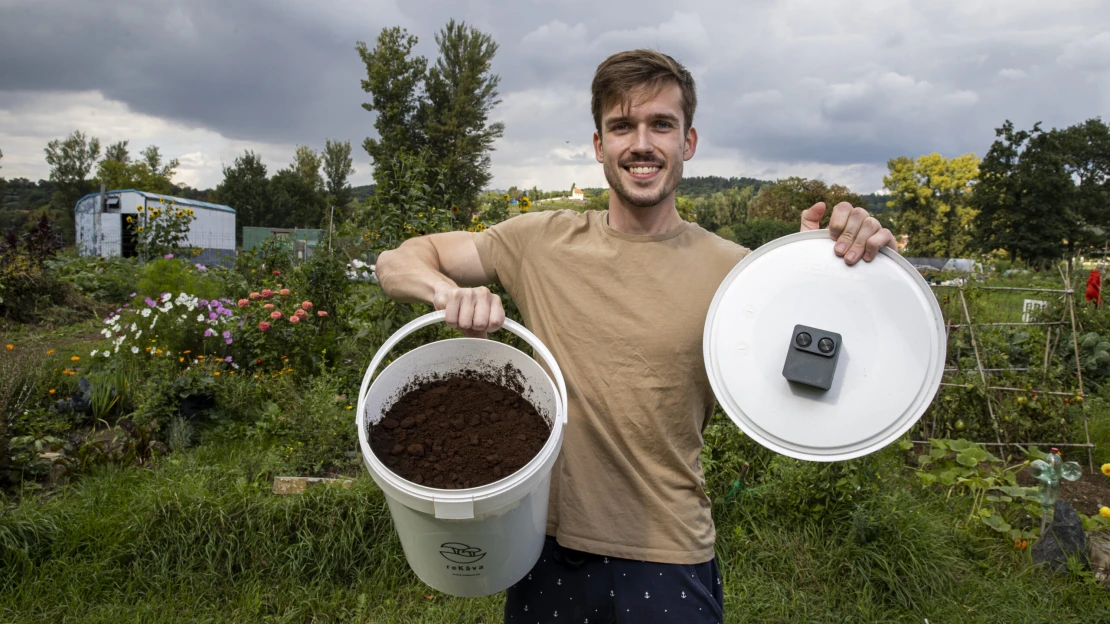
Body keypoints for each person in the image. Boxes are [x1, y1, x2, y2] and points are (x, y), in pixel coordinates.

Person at [375, 49, 897, 624]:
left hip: (669, 550)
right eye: (622, 126)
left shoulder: (736, 273)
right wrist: (445, 293)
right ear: (600, 146)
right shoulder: (538, 241)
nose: (641, 144)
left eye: (661, 125)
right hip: (544, 547)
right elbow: (399, 260)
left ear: (688, 142)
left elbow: (823, 350)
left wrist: (832, 259)